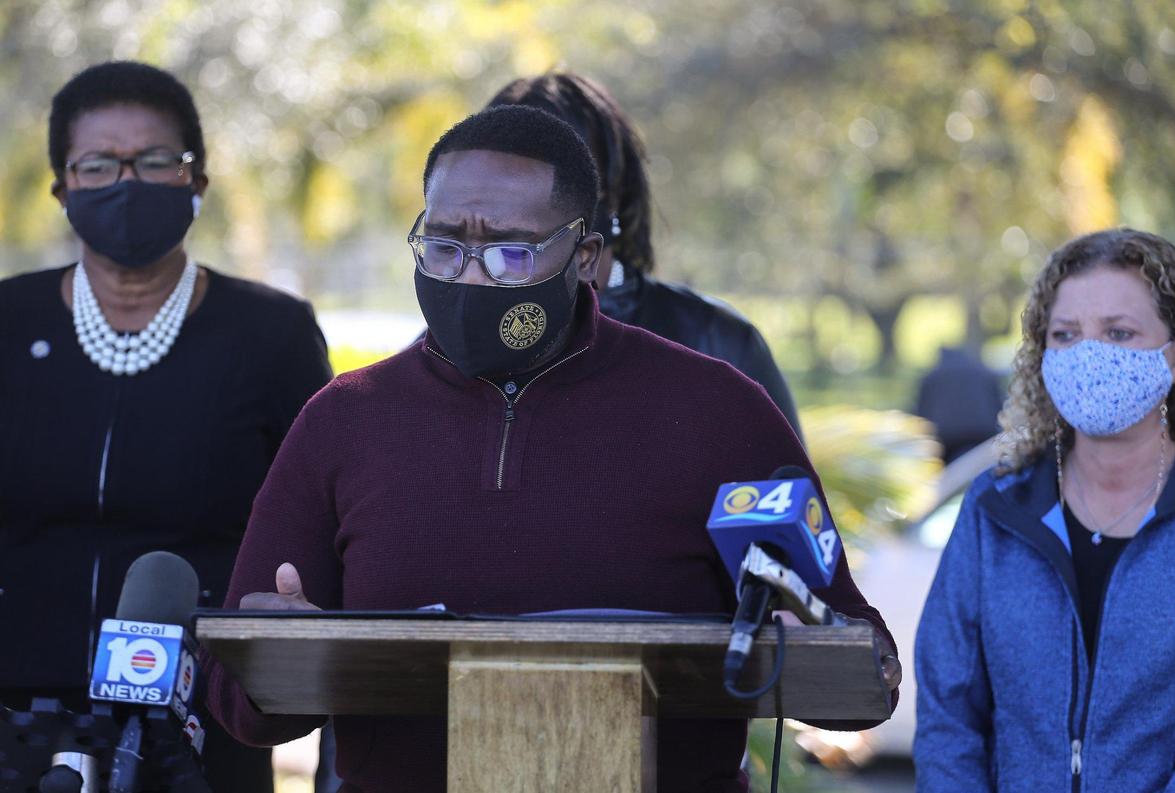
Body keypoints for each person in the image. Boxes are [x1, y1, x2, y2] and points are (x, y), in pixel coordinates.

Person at [204, 105, 898, 793]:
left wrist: (800, 629)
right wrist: (279, 653)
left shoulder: (716, 409)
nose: (471, 277)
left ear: (587, 258)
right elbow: (238, 706)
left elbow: (863, 676)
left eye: (510, 251)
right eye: (444, 245)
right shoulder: (344, 421)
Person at [0, 61, 332, 791]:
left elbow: (314, 521)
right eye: (98, 164)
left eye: (156, 161)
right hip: (17, 726)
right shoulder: (9, 320)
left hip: (201, 731)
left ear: (198, 182)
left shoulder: (270, 333)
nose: (128, 182)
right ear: (62, 187)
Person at [914, 228, 1175, 792]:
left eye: (1119, 332)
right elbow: (948, 713)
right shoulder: (996, 508)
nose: (1090, 354)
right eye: (1065, 335)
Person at [487, 73, 803, 440]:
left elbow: (784, 490)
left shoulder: (715, 342)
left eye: (558, 180)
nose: (524, 209)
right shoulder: (449, 350)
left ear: (615, 192)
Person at [914, 345, 1005, 462]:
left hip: (948, 439)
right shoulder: (984, 372)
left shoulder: (932, 376)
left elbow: (922, 412)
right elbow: (998, 405)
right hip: (982, 435)